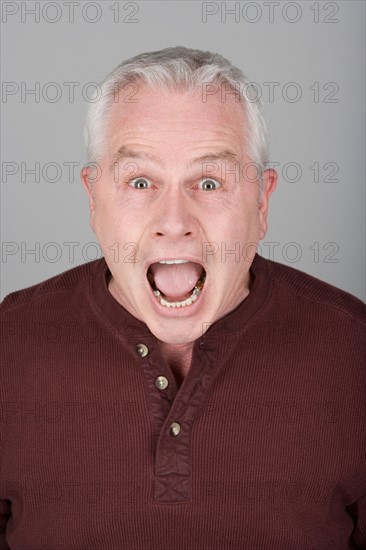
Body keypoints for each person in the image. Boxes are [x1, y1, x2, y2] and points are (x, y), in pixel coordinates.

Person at [1, 46, 365, 549]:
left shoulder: (354, 349)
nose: (174, 222)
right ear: (93, 199)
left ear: (261, 201)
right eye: (141, 181)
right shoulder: (10, 344)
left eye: (210, 182)